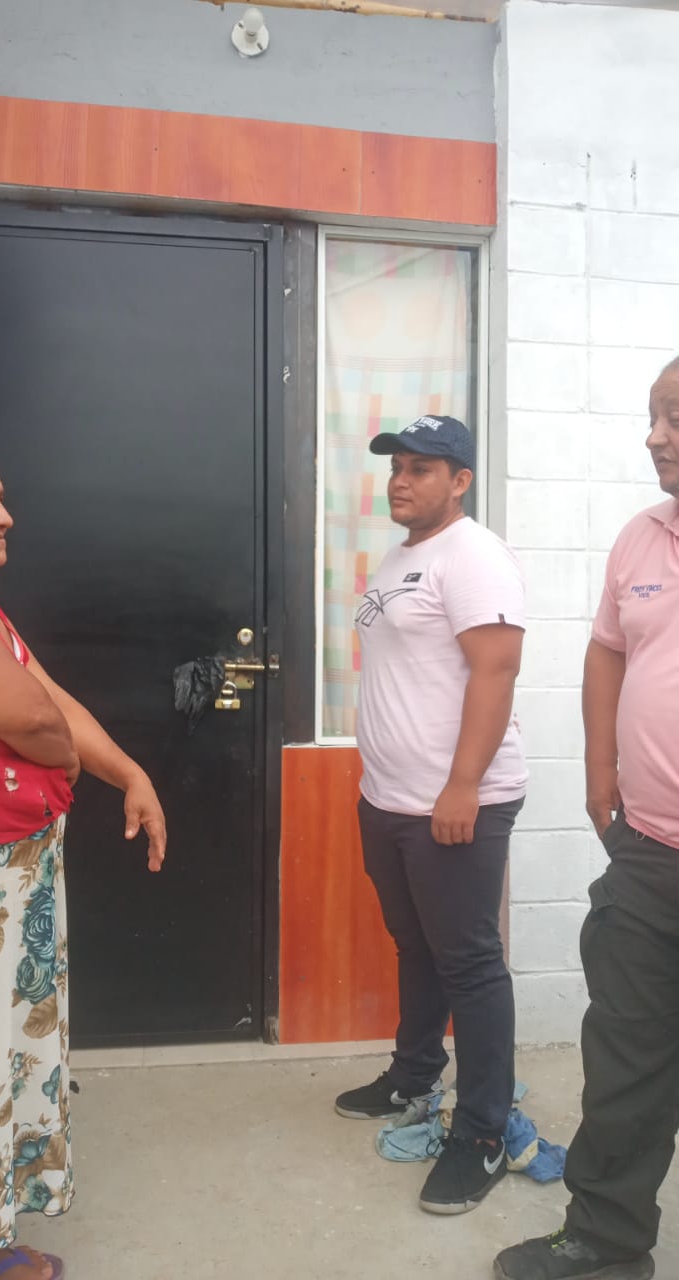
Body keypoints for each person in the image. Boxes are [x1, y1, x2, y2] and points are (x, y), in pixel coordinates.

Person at [0, 437, 166, 1266]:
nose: (5, 516)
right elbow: (32, 719)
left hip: (7, 878)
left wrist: (130, 773)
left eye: (0, 496)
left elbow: (49, 697)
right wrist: (65, 759)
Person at [494, 358, 679, 1280]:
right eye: (653, 415)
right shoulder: (640, 540)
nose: (653, 436)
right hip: (649, 851)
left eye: (673, 417)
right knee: (626, 1056)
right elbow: (608, 651)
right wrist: (600, 764)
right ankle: (607, 1241)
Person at [334, 415, 527, 1215]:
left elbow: (497, 669)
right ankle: (415, 1078)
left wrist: (463, 786)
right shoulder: (402, 556)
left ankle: (482, 1133)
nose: (401, 481)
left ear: (461, 480)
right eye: (397, 467)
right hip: (389, 798)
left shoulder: (473, 555)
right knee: (416, 946)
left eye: (421, 468)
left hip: (453, 802)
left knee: (470, 964)